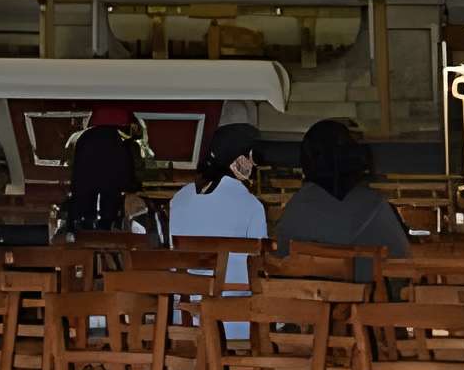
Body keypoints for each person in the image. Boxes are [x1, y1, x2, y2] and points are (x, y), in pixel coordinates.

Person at [275, 118, 411, 281]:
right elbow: (402, 263)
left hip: (309, 302)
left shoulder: (295, 207)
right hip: (368, 301)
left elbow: (283, 261)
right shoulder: (374, 205)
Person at [168, 120, 267, 338]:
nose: (254, 164)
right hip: (236, 321)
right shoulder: (251, 205)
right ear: (236, 159)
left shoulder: (179, 199)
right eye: (251, 156)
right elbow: (260, 265)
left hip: (185, 319)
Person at [67, 105, 143, 232]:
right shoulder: (121, 142)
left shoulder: (83, 138)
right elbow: (127, 175)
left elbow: (73, 173)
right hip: (108, 205)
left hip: (84, 205)